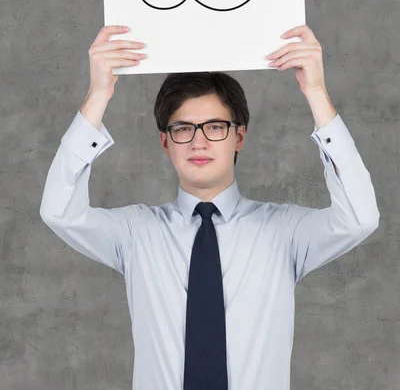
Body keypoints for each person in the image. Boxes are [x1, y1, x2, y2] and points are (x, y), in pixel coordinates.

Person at [40, 23, 380, 390]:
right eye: (183, 129)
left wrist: (315, 92)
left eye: (215, 127)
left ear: (239, 135)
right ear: (165, 142)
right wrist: (98, 94)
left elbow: (360, 218)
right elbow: (58, 211)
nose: (198, 142)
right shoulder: (135, 233)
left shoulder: (284, 233)